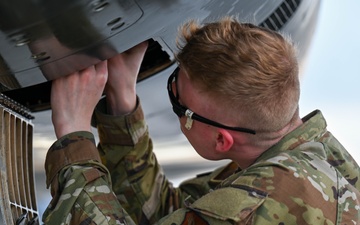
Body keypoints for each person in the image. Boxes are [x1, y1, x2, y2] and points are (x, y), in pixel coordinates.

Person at [43, 17, 360, 224]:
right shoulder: (299, 155)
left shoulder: (266, 200)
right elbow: (170, 214)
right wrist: (122, 102)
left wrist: (74, 136)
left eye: (178, 102)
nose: (174, 103)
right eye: (173, 82)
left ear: (222, 140)